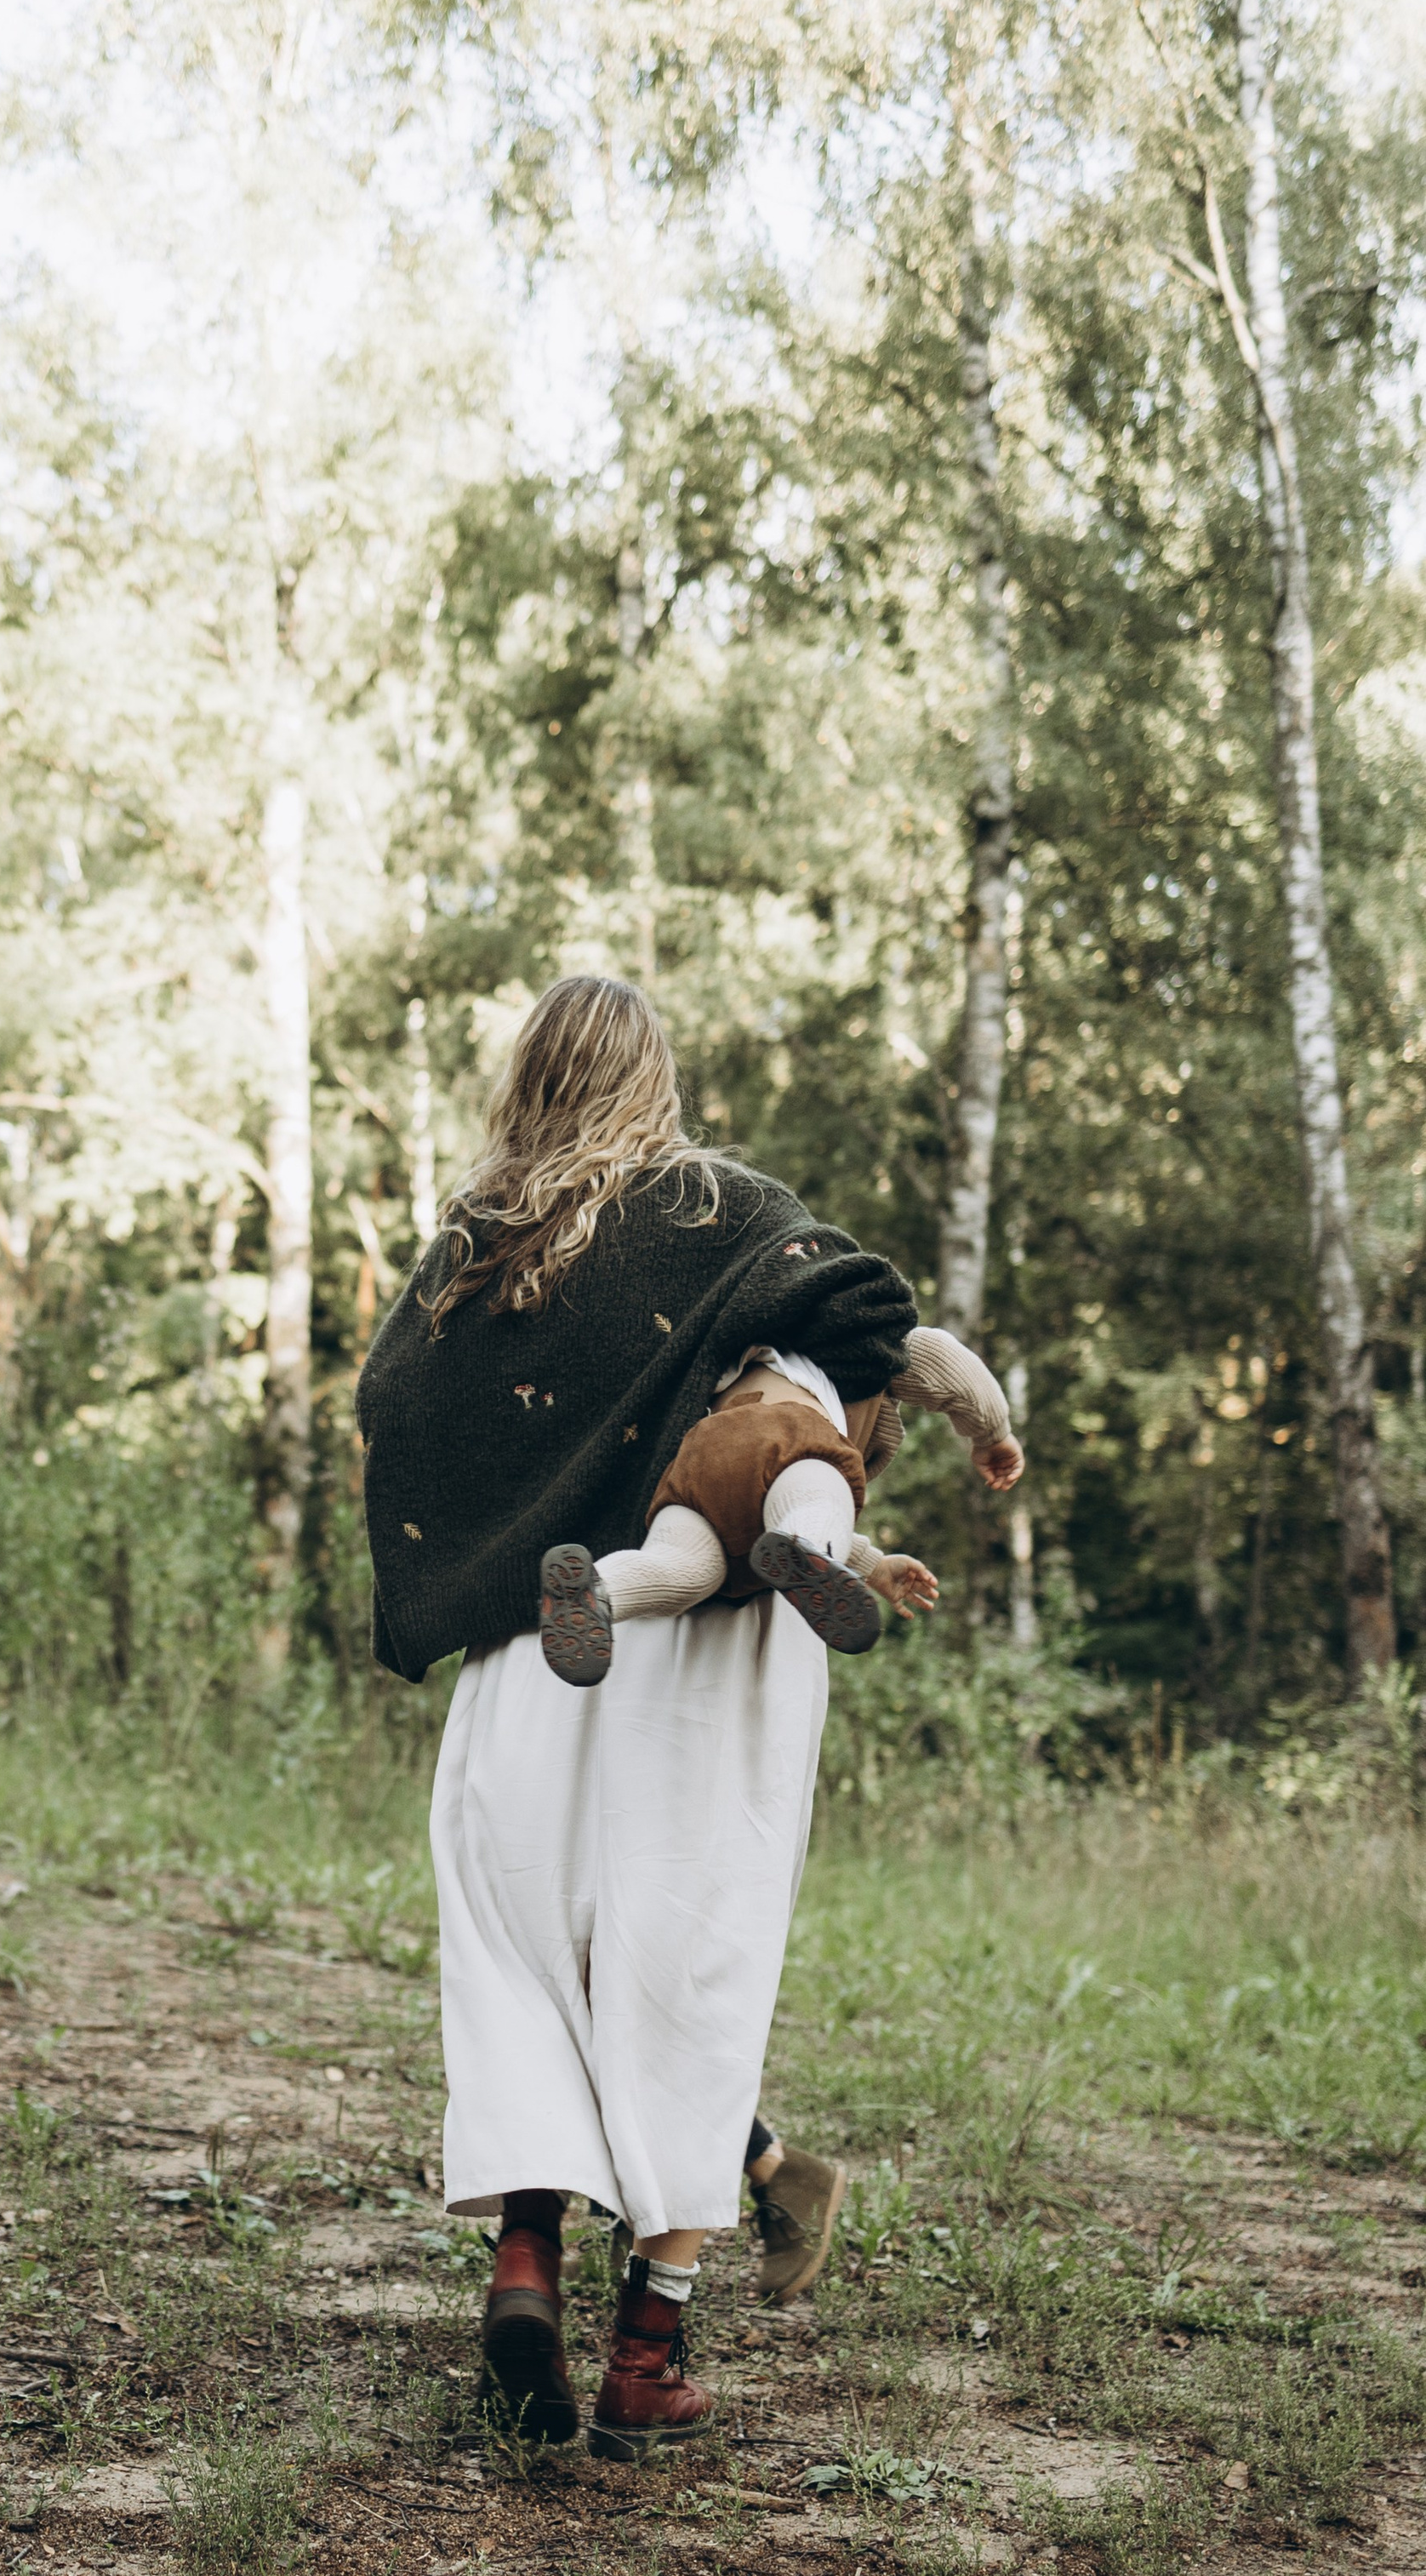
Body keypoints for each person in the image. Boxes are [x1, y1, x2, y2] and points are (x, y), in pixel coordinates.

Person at [357, 972, 921, 2456]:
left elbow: (390, 1418)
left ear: (524, 1079)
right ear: (655, 1079)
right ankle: (646, 2359)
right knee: (687, 1970)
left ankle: (525, 2269)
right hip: (701, 1661)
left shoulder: (466, 1259)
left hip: (536, 1644)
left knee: (524, 1971)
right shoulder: (717, 1209)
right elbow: (870, 1318)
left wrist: (476, 1565)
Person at [536, 1322, 1025, 1684]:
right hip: (789, 1433)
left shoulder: (730, 1340)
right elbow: (944, 1360)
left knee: (683, 1566)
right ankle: (802, 1540)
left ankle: (597, 1592)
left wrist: (874, 1566)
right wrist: (994, 1434)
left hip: (701, 1459)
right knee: (818, 1498)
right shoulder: (862, 1338)